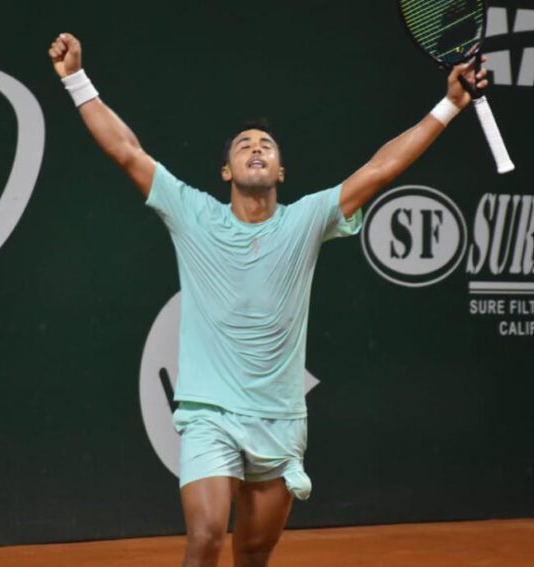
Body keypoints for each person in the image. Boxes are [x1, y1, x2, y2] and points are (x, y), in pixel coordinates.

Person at [48, 32, 487, 567]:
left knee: (253, 553)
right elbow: (125, 150)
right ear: (227, 172)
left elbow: (381, 169)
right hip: (209, 412)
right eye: (243, 145)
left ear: (280, 172)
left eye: (267, 145)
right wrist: (75, 78)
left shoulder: (306, 220)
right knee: (207, 534)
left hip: (280, 419)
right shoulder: (192, 213)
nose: (256, 147)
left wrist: (450, 104)